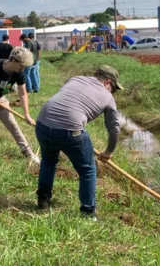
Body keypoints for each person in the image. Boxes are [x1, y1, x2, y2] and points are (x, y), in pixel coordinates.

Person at [35, 65, 124, 217]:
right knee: (87, 170)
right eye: (113, 88)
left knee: (48, 161)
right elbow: (114, 129)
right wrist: (108, 152)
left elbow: (68, 100)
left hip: (42, 123)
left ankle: (43, 201)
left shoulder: (75, 79)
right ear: (107, 82)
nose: (112, 92)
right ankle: (88, 212)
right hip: (70, 131)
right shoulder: (108, 97)